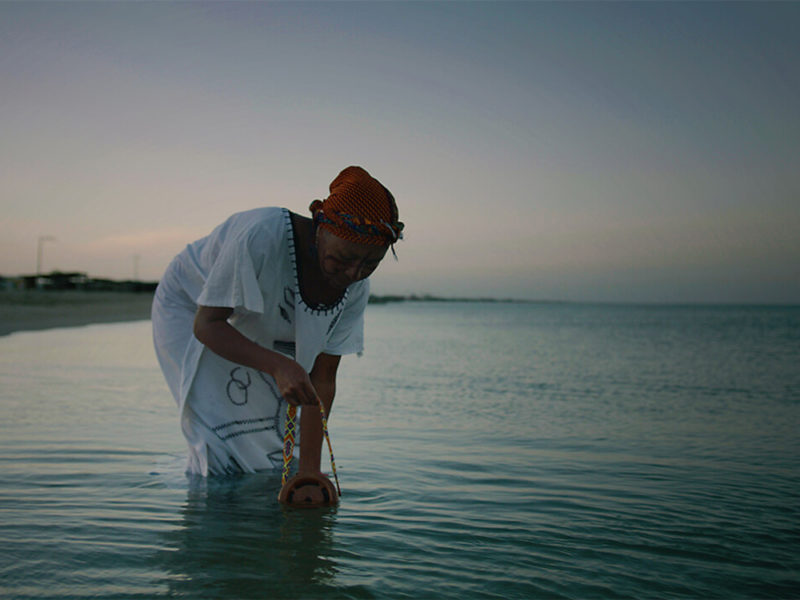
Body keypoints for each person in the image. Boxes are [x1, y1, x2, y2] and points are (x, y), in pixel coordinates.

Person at [151, 166, 403, 479]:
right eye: (344, 258)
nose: (353, 273)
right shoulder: (262, 235)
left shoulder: (355, 287)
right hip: (191, 306)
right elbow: (207, 325)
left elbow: (321, 379)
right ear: (319, 228)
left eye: (370, 264)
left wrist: (311, 472)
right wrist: (278, 365)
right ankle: (210, 507)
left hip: (249, 313)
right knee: (219, 443)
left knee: (274, 444)